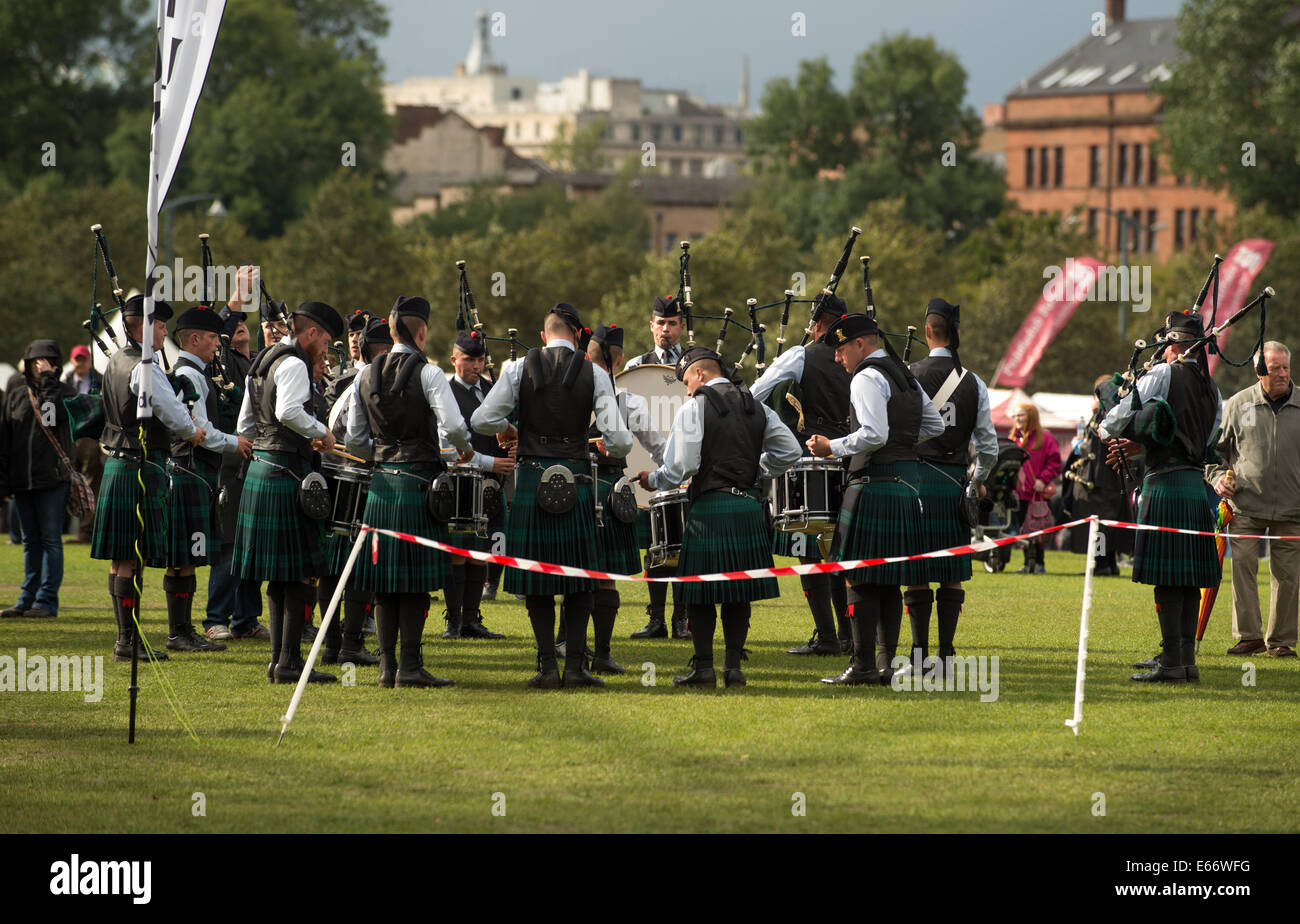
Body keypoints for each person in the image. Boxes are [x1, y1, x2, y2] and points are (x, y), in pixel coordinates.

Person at [472, 303, 632, 688]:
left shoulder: (517, 368)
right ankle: (575, 668)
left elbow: (481, 420)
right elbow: (621, 442)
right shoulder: (593, 372)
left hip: (530, 477)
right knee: (580, 579)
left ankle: (546, 668)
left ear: (544, 336)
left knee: (536, 579)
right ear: (578, 336)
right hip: (576, 477)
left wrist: (511, 428)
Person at [637, 347, 800, 687]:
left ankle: (704, 669)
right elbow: (791, 451)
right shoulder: (758, 406)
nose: (685, 390)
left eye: (685, 381)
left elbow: (683, 467)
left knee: (701, 592)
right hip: (747, 508)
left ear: (699, 374)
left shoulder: (694, 408)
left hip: (710, 507)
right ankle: (734, 669)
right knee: (738, 592)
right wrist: (756, 470)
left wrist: (652, 480)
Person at [346, 296, 477, 688]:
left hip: (381, 486)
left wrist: (380, 454)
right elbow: (453, 427)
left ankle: (388, 670)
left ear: (390, 330)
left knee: (385, 580)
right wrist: (466, 449)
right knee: (415, 582)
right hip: (419, 485)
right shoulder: (430, 373)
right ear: (422, 332)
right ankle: (410, 667)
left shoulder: (364, 375)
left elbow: (354, 440)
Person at [807, 313, 944, 685]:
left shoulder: (867, 376)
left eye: (840, 350)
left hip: (872, 483)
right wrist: (901, 446)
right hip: (905, 485)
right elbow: (935, 425)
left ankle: (862, 664)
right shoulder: (904, 375)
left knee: (860, 577)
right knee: (887, 579)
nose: (838, 359)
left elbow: (873, 433)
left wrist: (829, 447)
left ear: (860, 344)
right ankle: (884, 666)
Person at [1101, 309, 1222, 683]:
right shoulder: (1214, 389)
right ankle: (1185, 660)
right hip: (1194, 486)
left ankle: (1171, 662)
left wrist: (1130, 432)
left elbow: (1111, 422)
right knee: (1186, 578)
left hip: (1166, 484)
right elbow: (1208, 439)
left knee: (1168, 577)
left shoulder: (1164, 373)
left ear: (1173, 344)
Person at [231, 300, 343, 684]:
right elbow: (288, 412)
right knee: (301, 575)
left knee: (280, 577)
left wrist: (288, 438)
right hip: (286, 475)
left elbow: (247, 422)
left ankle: (279, 663)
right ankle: (290, 664)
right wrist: (320, 433)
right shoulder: (294, 363)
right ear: (311, 333)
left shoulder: (263, 360)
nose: (326, 349)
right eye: (326, 341)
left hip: (262, 469)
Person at [91, 296, 203, 661]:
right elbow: (176, 418)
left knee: (122, 557)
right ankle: (128, 641)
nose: (164, 331)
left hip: (118, 464)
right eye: (159, 324)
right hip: (138, 466)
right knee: (130, 558)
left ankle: (127, 638)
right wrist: (193, 431)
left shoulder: (115, 361)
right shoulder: (144, 366)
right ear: (141, 325)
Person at [750, 293, 853, 656]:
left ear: (818, 325)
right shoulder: (864, 355)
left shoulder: (800, 355)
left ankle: (828, 636)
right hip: (855, 463)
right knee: (847, 551)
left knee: (810, 549)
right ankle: (849, 636)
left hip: (814, 465)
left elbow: (755, 395)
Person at [902, 299, 998, 677]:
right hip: (955, 484)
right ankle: (945, 655)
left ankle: (919, 657)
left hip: (914, 484)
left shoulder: (909, 375)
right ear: (955, 332)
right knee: (951, 571)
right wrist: (978, 480)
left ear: (927, 332)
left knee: (916, 570)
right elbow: (988, 444)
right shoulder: (974, 382)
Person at [161, 306, 252, 652]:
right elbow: (198, 431)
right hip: (190, 469)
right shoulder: (191, 375)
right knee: (184, 558)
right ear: (195, 339)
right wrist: (235, 442)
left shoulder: (198, 372)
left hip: (195, 471)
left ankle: (183, 631)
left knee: (188, 559)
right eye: (213, 338)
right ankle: (178, 632)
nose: (218, 345)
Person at [1207, 341, 1299, 658]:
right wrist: (1218, 477)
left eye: (1286, 368)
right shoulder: (1237, 404)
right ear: (1259, 371)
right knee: (1243, 568)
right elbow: (1213, 453)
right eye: (1275, 369)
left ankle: (1282, 642)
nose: (1283, 374)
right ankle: (1249, 636)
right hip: (1245, 506)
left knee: (1288, 576)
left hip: (1293, 508)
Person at [585, 323, 665, 673]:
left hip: (567, 489)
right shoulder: (626, 400)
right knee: (603, 576)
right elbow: (659, 448)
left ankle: (562, 645)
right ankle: (601, 654)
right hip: (607, 491)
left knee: (570, 570)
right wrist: (675, 476)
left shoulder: (564, 389)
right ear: (617, 362)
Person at [315, 316, 389, 666]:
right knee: (358, 565)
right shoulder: (372, 379)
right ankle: (348, 645)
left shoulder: (351, 377)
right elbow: (362, 439)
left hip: (335, 478)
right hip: (356, 480)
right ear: (384, 349)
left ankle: (333, 645)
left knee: (333, 567)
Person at [624, 295, 691, 640]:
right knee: (653, 545)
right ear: (651, 325)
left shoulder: (697, 365)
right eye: (660, 323)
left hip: (684, 465)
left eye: (673, 323)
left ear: (681, 326)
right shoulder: (636, 367)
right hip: (647, 466)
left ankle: (682, 618)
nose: (666, 330)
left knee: (683, 545)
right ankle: (656, 619)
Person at [203, 307, 269, 641]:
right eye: (234, 325)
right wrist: (232, 308)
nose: (241, 326)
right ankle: (216, 619)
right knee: (229, 545)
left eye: (246, 322)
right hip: (230, 464)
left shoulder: (257, 361)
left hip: (256, 462)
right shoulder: (222, 363)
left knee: (252, 544)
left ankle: (246, 618)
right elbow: (222, 337)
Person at [440, 329, 510, 640]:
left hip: (492, 485)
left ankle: (472, 619)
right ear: (454, 360)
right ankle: (453, 621)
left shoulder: (494, 391)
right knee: (458, 551)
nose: (476, 367)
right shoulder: (444, 393)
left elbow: (508, 429)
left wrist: (513, 446)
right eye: (469, 360)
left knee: (481, 551)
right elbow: (447, 448)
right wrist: (490, 461)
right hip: (460, 482)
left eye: (480, 360)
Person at [0, 340, 76, 619]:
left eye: (45, 362)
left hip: (52, 479)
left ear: (55, 365)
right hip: (22, 479)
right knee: (30, 541)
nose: (39, 366)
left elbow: (49, 418)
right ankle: (25, 599)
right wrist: (4, 478)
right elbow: (6, 433)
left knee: (51, 540)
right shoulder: (15, 389)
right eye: (35, 362)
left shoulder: (63, 392)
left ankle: (46, 601)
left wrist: (47, 382)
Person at [1063, 374, 1134, 576]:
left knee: (1101, 526)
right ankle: (1109, 564)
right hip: (1102, 478)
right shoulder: (1105, 415)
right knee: (1105, 524)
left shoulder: (1107, 415)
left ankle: (1101, 564)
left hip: (1101, 478)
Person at [1009, 402, 1061, 573]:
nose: (1017, 419)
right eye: (1015, 416)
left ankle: (1039, 563)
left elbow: (1055, 462)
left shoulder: (1046, 438)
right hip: (1019, 495)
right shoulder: (1013, 440)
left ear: (1031, 416)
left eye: (1021, 415)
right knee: (1023, 529)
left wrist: (1043, 479)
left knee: (1038, 529)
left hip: (1037, 494)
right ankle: (1027, 562)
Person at [64, 344, 103, 544]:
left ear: (89, 360)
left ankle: (86, 532)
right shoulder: (66, 381)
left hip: (91, 438)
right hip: (70, 437)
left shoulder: (101, 380)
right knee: (72, 481)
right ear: (72, 361)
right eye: (77, 359)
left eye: (83, 359)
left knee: (90, 482)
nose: (80, 363)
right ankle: (77, 528)